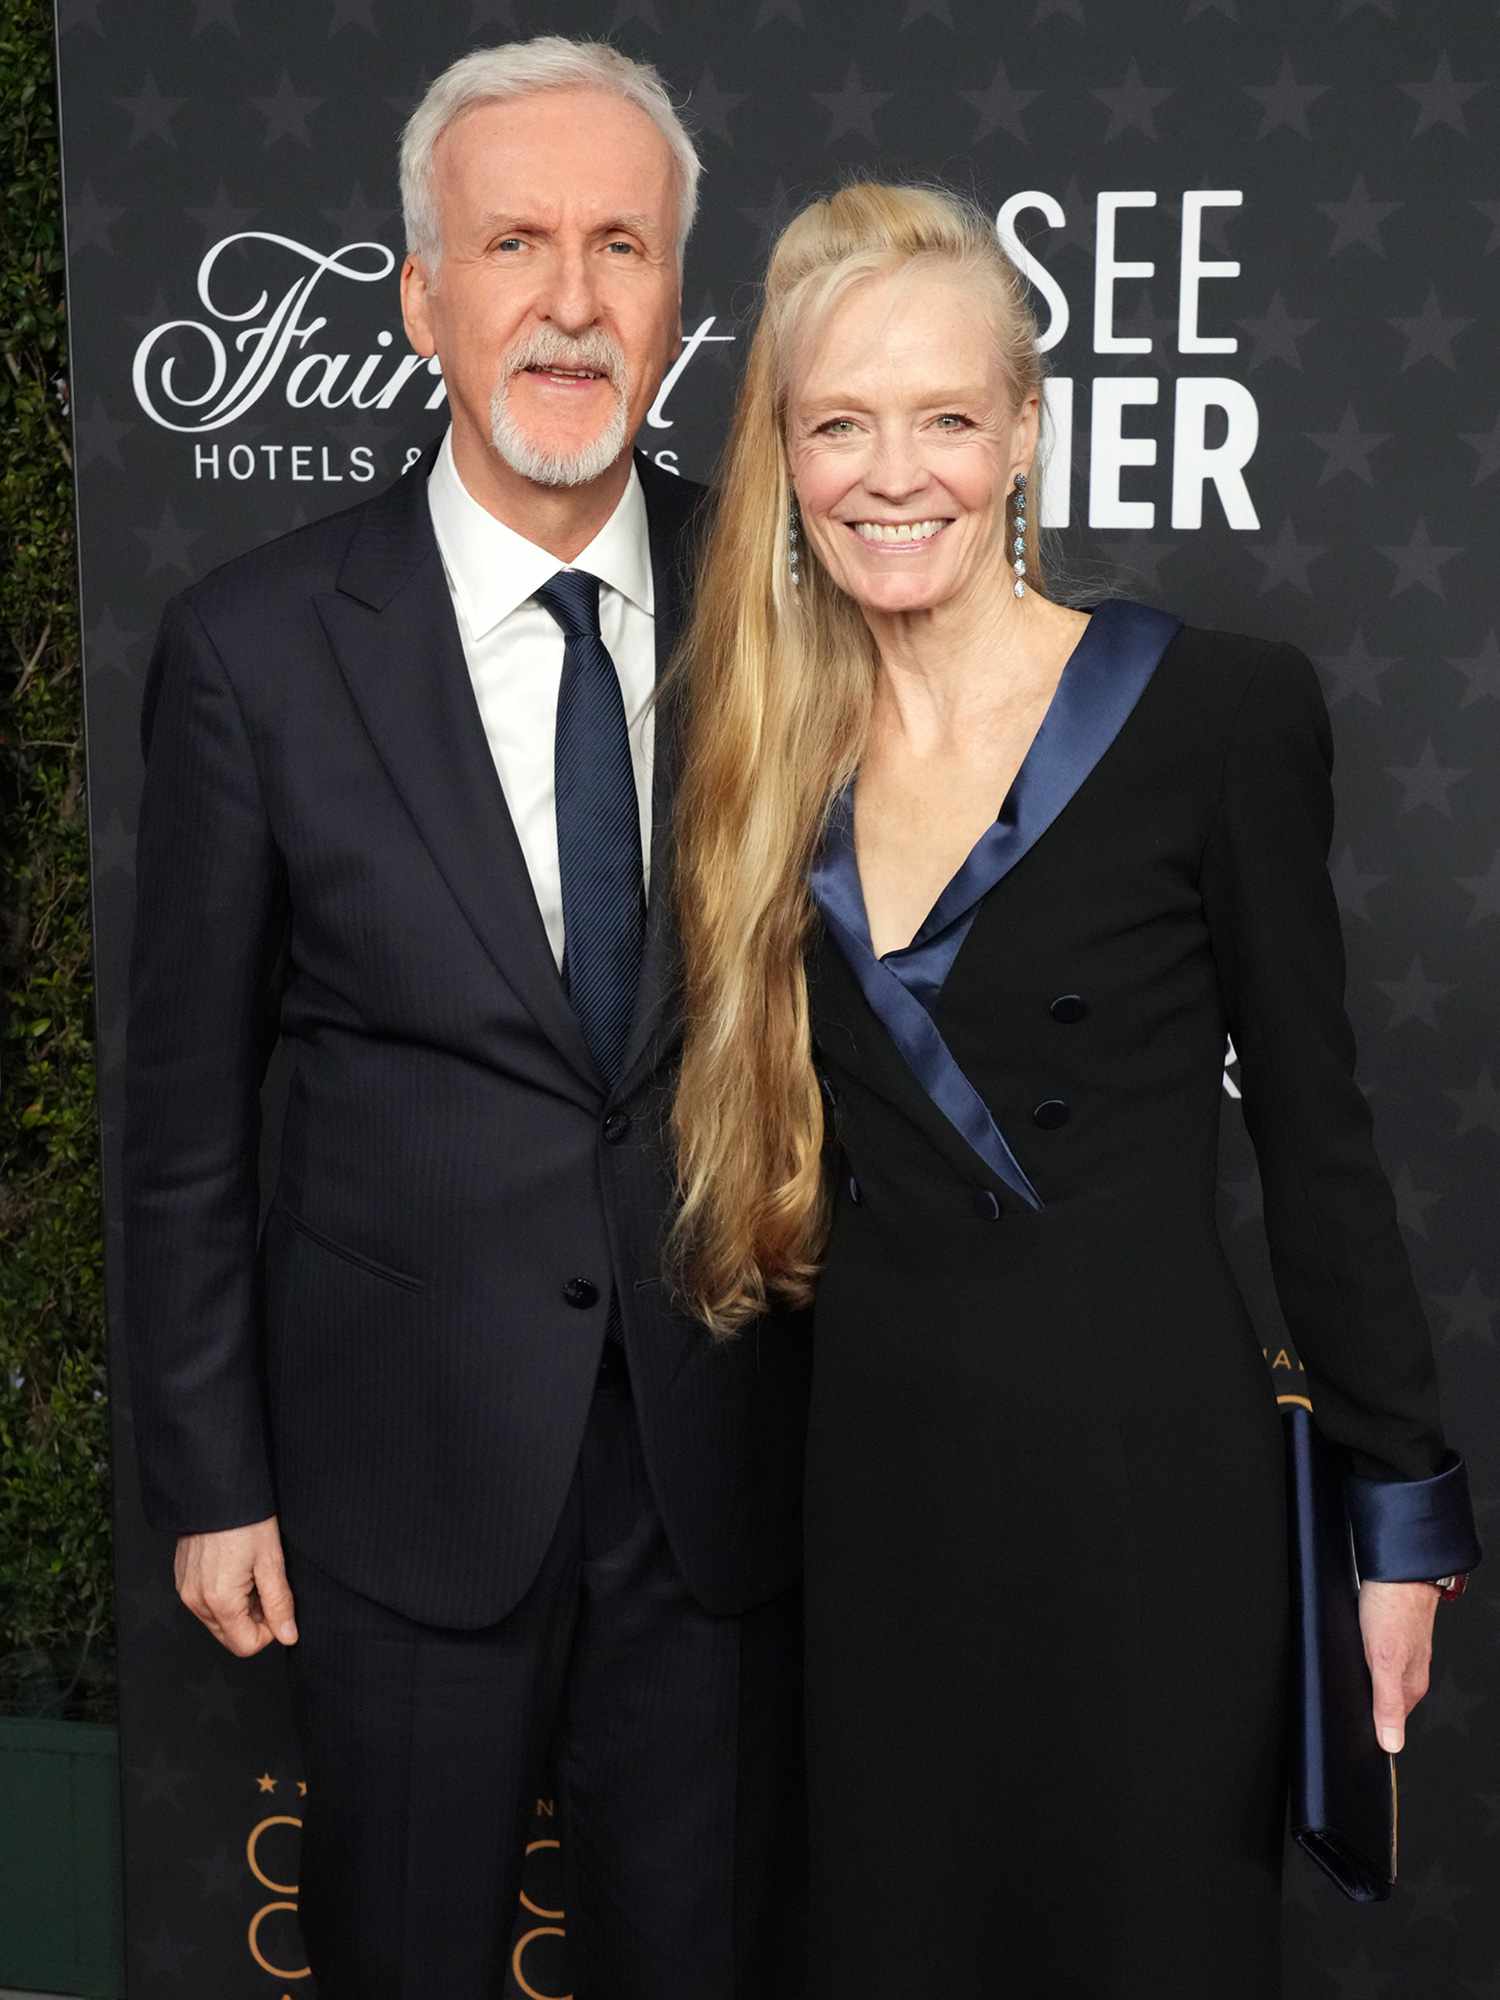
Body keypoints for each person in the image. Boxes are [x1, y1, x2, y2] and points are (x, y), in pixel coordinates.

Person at [666, 183, 1481, 1998]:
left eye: (947, 417)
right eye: (839, 423)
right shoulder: (749, 759)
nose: (896, 473)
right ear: (785, 451)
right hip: (876, 1502)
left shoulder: (1217, 713)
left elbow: (1320, 1137)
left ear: (1027, 430)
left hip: (1150, 1499)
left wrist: (1400, 1519)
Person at [122, 39, 808, 2000]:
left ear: (682, 297)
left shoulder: (783, 599)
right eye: (516, 242)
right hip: (393, 1474)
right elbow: (181, 1105)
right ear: (424, 293)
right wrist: (213, 1469)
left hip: (721, 1460)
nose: (574, 299)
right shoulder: (253, 649)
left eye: (623, 244)